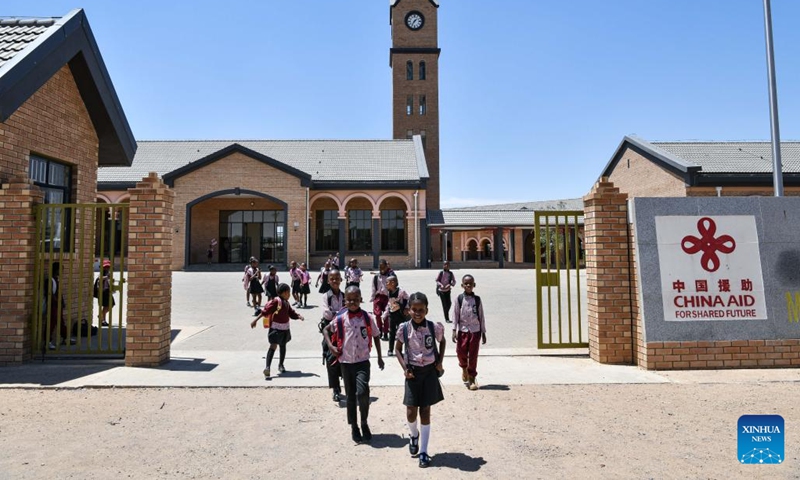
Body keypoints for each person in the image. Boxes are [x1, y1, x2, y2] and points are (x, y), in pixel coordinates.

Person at [323, 286, 385, 444]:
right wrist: (331, 346)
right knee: (351, 396)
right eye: (349, 300)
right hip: (346, 363)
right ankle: (354, 426)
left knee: (363, 392)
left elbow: (376, 336)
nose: (352, 302)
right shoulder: (339, 318)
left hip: (363, 362)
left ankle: (364, 422)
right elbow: (325, 329)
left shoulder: (367, 318)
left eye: (356, 299)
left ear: (361, 299)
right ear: (345, 301)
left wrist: (379, 357)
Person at [395, 292, 446, 468]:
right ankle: (413, 434)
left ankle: (423, 451)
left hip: (429, 373)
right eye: (414, 309)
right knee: (411, 411)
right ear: (409, 310)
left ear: (426, 310)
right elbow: (397, 350)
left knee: (425, 411)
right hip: (413, 374)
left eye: (421, 310)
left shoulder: (434, 327)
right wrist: (405, 369)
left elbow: (443, 341)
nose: (418, 313)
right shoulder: (403, 329)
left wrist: (439, 362)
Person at [251, 283, 304, 378]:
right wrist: (255, 320)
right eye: (288, 293)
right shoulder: (276, 301)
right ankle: (267, 367)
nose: (289, 295)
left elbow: (291, 313)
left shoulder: (286, 303)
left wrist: (298, 316)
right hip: (275, 328)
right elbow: (265, 311)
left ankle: (281, 365)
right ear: (283, 293)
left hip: (285, 328)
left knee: (283, 346)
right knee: (273, 346)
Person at [452, 274, 487, 391]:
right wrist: (454, 330)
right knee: (460, 352)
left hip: (475, 331)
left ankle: (472, 377)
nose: (468, 285)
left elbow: (481, 316)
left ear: (474, 285)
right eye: (466, 284)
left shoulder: (477, 300)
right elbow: (455, 314)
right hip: (463, 330)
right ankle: (464, 368)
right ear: (462, 285)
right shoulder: (459, 299)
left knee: (473, 355)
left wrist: (483, 332)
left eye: (470, 284)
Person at [319, 269, 344, 402]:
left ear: (341, 280)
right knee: (331, 359)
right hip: (331, 333)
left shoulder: (345, 296)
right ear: (328, 281)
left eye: (337, 278)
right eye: (332, 279)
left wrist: (336, 313)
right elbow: (326, 314)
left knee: (345, 359)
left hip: (345, 333)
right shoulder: (325, 296)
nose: (335, 281)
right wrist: (341, 313)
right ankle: (335, 388)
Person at [44, 261, 71, 350]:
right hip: (53, 306)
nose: (62, 272)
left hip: (57, 305)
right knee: (51, 323)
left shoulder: (55, 279)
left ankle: (66, 338)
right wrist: (56, 302)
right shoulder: (50, 280)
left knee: (60, 322)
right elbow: (50, 294)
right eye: (61, 270)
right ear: (56, 270)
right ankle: (47, 341)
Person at [370, 259, 396, 340]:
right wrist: (372, 297)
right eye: (380, 267)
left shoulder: (390, 276)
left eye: (383, 267)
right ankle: (379, 330)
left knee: (386, 315)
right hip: (378, 297)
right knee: (377, 314)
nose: (382, 269)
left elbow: (394, 287)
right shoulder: (376, 276)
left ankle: (385, 332)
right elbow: (373, 287)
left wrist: (393, 298)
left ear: (386, 266)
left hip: (387, 298)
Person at [382, 275, 409, 352]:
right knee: (392, 332)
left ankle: (404, 349)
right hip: (392, 315)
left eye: (387, 282)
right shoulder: (389, 292)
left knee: (402, 332)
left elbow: (408, 299)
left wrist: (406, 308)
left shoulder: (401, 292)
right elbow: (389, 304)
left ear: (393, 283)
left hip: (400, 315)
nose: (386, 284)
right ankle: (390, 350)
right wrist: (385, 314)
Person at [96, 259, 116, 327]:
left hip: (107, 291)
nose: (107, 268)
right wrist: (107, 277)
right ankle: (103, 320)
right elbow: (100, 278)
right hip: (103, 291)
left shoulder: (108, 272)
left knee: (111, 304)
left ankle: (101, 316)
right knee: (107, 306)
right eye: (105, 266)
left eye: (108, 266)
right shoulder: (102, 272)